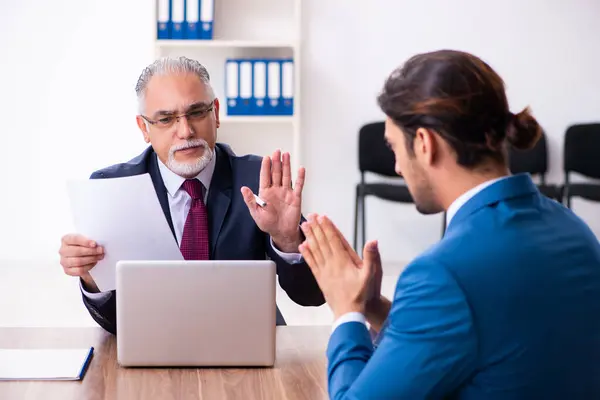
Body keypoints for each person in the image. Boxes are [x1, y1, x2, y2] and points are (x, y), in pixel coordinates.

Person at [298, 50, 600, 399]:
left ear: (425, 144)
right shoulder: (574, 229)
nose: (397, 166)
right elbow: (487, 334)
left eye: (394, 147)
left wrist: (347, 312)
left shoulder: (442, 274)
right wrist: (376, 308)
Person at [58, 56, 324, 334]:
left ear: (216, 113)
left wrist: (288, 240)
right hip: (156, 343)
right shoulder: (111, 188)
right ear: (144, 128)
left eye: (196, 112)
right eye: (165, 119)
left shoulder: (259, 180)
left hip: (248, 340)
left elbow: (312, 296)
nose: (185, 131)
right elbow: (116, 324)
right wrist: (91, 277)